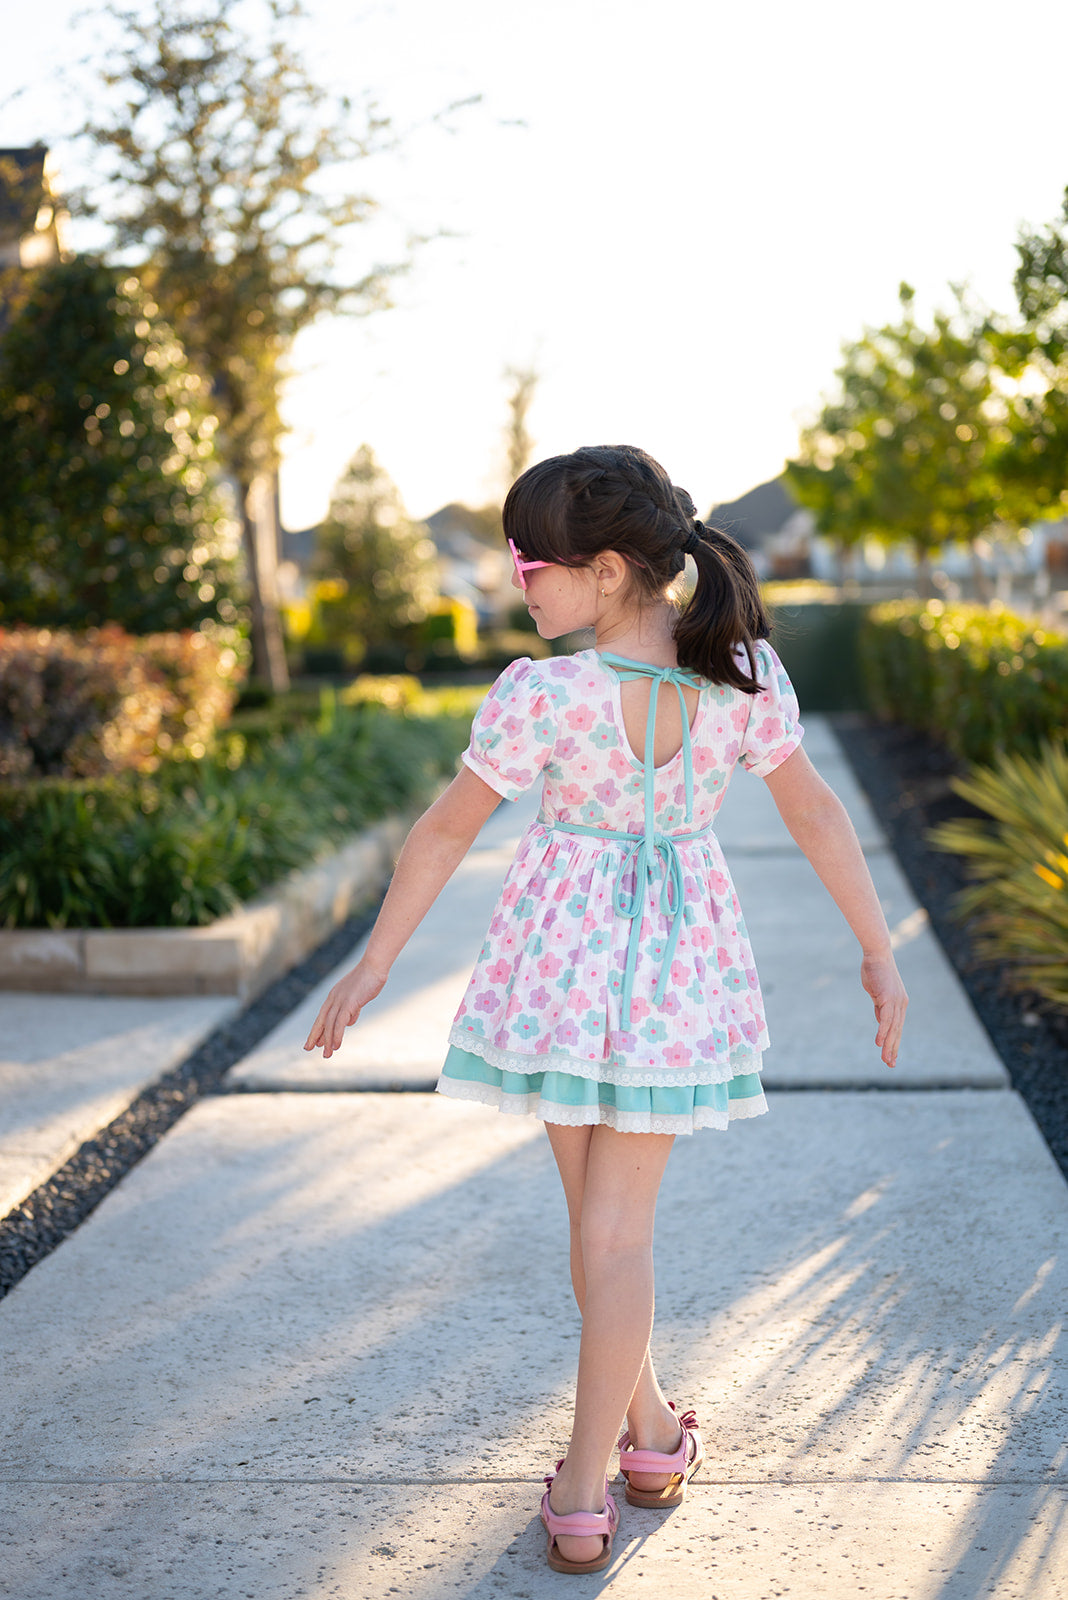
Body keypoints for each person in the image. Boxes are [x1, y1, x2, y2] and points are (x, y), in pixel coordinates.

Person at [304, 444, 908, 1576]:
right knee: (603, 1226)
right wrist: (876, 950)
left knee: (607, 1231)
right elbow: (818, 815)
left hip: (562, 973)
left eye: (535, 561)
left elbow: (445, 829)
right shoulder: (742, 675)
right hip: (676, 972)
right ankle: (654, 1432)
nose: (518, 579)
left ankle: (583, 1490)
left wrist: (381, 958)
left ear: (615, 570)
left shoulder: (547, 694)